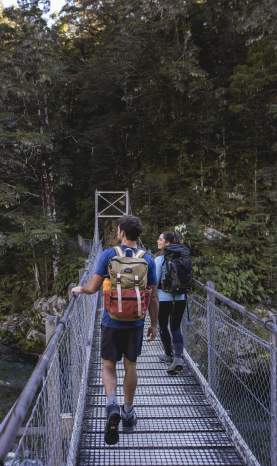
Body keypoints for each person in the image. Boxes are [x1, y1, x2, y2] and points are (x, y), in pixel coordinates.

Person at [71, 216, 158, 445]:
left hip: (111, 321)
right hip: (136, 322)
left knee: (108, 365)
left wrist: (79, 288)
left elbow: (92, 288)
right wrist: (154, 324)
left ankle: (111, 404)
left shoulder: (108, 255)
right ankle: (128, 411)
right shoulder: (148, 258)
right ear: (138, 234)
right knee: (131, 365)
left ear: (121, 232)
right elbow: (153, 296)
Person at [155, 231, 187, 374]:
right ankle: (178, 357)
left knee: (163, 325)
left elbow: (155, 281)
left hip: (163, 298)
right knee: (175, 327)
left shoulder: (159, 259)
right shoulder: (184, 257)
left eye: (161, 239)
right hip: (181, 297)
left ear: (167, 243)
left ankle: (169, 355)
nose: (158, 241)